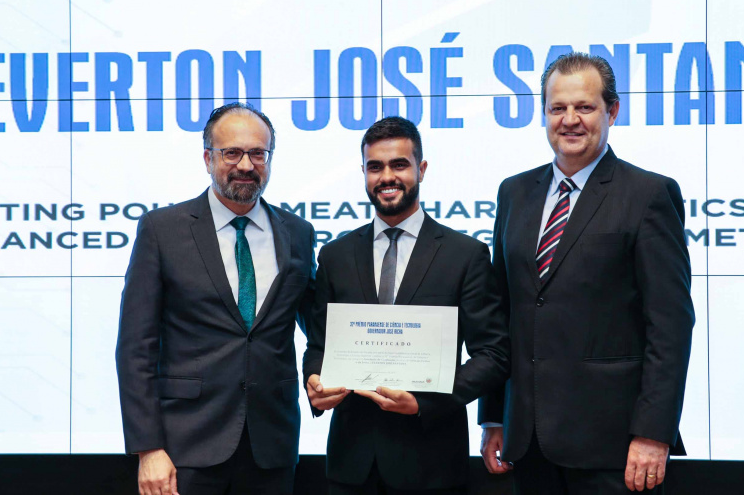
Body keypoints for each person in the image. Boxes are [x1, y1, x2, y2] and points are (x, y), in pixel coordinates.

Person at [479, 53, 695, 494]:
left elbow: (670, 326)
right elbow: (502, 315)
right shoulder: (514, 192)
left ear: (612, 111)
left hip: (614, 448)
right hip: (529, 439)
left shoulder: (649, 195)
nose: (570, 120)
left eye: (585, 107)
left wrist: (654, 432)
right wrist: (495, 415)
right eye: (558, 108)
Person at [115, 102, 316, 495]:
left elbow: (318, 326)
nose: (246, 164)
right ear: (208, 158)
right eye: (231, 152)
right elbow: (135, 348)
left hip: (271, 449)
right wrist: (148, 448)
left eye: (258, 153)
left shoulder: (298, 232)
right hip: (184, 449)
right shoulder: (163, 230)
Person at [303, 116, 510, 495]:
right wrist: (314, 383)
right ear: (364, 172)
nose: (387, 177)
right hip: (351, 465)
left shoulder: (465, 256)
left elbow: (493, 354)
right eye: (375, 166)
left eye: (399, 164)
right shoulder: (335, 255)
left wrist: (425, 402)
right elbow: (319, 345)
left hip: (432, 464)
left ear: (421, 168)